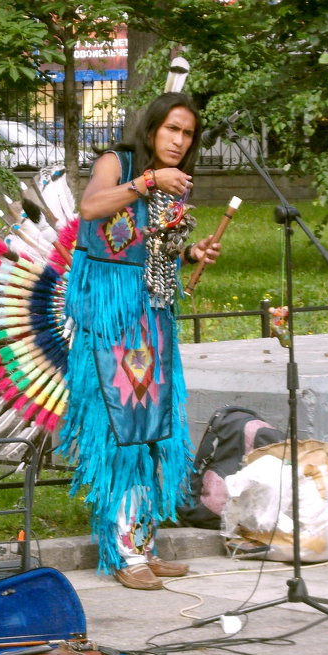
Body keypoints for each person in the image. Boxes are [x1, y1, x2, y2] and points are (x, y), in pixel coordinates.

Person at [58, 92, 221, 591]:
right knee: (121, 428)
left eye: (187, 133)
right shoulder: (119, 163)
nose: (178, 140)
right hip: (112, 316)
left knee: (153, 428)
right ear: (151, 129)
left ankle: (144, 545)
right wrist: (148, 180)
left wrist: (191, 251)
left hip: (151, 316)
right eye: (171, 129)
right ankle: (123, 552)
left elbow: (151, 248)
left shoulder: (174, 189)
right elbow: (91, 207)